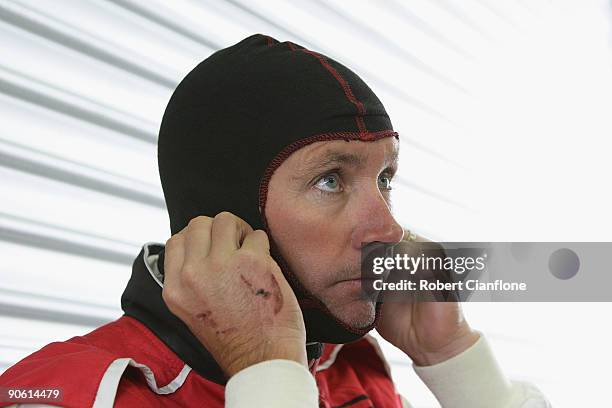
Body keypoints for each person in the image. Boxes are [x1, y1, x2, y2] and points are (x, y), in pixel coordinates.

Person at [0, 34, 550, 408]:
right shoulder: (65, 393)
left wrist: (452, 358)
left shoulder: (349, 367)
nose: (386, 227)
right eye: (330, 179)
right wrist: (261, 369)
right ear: (228, 211)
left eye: (384, 179)